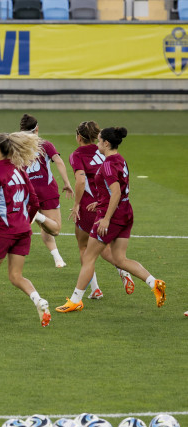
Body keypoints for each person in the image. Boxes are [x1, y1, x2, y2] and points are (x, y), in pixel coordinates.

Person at [56, 127, 166, 314]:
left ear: (106, 143)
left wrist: (106, 218)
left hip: (111, 216)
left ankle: (75, 300)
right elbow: (120, 190)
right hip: (125, 212)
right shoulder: (120, 160)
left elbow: (115, 191)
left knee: (89, 257)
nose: (97, 144)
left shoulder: (107, 165)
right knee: (119, 259)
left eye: (99, 141)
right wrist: (99, 202)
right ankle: (154, 282)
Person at [0, 132, 60, 335]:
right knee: (16, 276)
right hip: (23, 231)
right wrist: (24, 223)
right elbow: (35, 203)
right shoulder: (20, 171)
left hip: (2, 232)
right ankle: (38, 299)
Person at [68, 121, 135, 299]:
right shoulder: (105, 153)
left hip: (91, 205)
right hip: (109, 203)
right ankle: (121, 270)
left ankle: (94, 289)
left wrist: (76, 205)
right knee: (101, 248)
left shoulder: (77, 154)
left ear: (79, 137)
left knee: (88, 248)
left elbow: (81, 181)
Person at [20, 114, 73, 268]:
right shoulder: (45, 144)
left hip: (28, 192)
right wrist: (67, 183)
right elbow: (59, 162)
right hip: (47, 190)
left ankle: (57, 258)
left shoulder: (18, 147)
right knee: (55, 229)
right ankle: (36, 215)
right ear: (37, 128)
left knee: (45, 226)